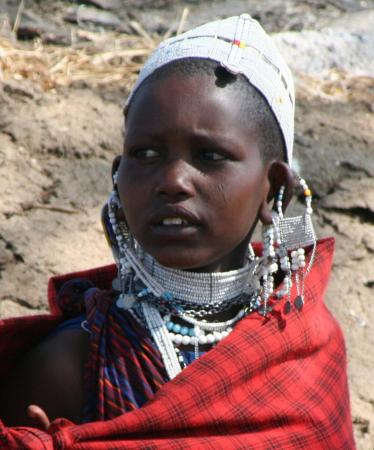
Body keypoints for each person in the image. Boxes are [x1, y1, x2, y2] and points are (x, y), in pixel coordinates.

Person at [0, 13, 355, 449]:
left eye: (209, 156)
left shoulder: (306, 351)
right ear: (117, 177)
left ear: (273, 188)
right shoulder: (74, 363)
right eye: (145, 153)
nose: (172, 180)